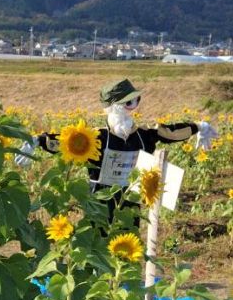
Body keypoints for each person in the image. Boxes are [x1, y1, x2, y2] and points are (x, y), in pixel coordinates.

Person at [26, 78, 216, 226]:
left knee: (127, 235)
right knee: (97, 240)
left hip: (130, 196)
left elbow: (169, 132)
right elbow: (68, 141)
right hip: (99, 197)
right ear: (113, 106)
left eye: (135, 101)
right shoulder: (97, 137)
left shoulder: (142, 136)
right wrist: (37, 140)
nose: (133, 106)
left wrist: (199, 127)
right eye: (128, 102)